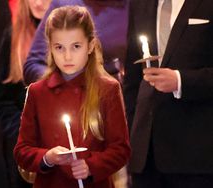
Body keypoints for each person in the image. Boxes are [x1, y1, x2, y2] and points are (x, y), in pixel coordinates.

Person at [14, 6, 131, 188]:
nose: (67, 56)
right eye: (59, 47)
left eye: (76, 46)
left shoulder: (108, 89)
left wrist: (90, 166)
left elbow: (120, 149)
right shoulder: (38, 92)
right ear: (50, 48)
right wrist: (47, 157)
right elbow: (22, 150)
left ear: (90, 46)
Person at [123, 0, 213, 187]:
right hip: (146, 154)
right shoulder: (140, 4)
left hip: (197, 153)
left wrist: (181, 81)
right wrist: (133, 131)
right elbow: (132, 77)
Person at [0, 0, 51, 187]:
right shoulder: (13, 36)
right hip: (30, 154)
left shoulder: (75, 32)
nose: (38, 2)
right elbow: (3, 103)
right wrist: (25, 132)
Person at [23, 0, 129, 85]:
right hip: (70, 102)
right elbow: (33, 64)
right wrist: (62, 84)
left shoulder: (134, 6)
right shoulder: (64, 4)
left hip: (121, 101)